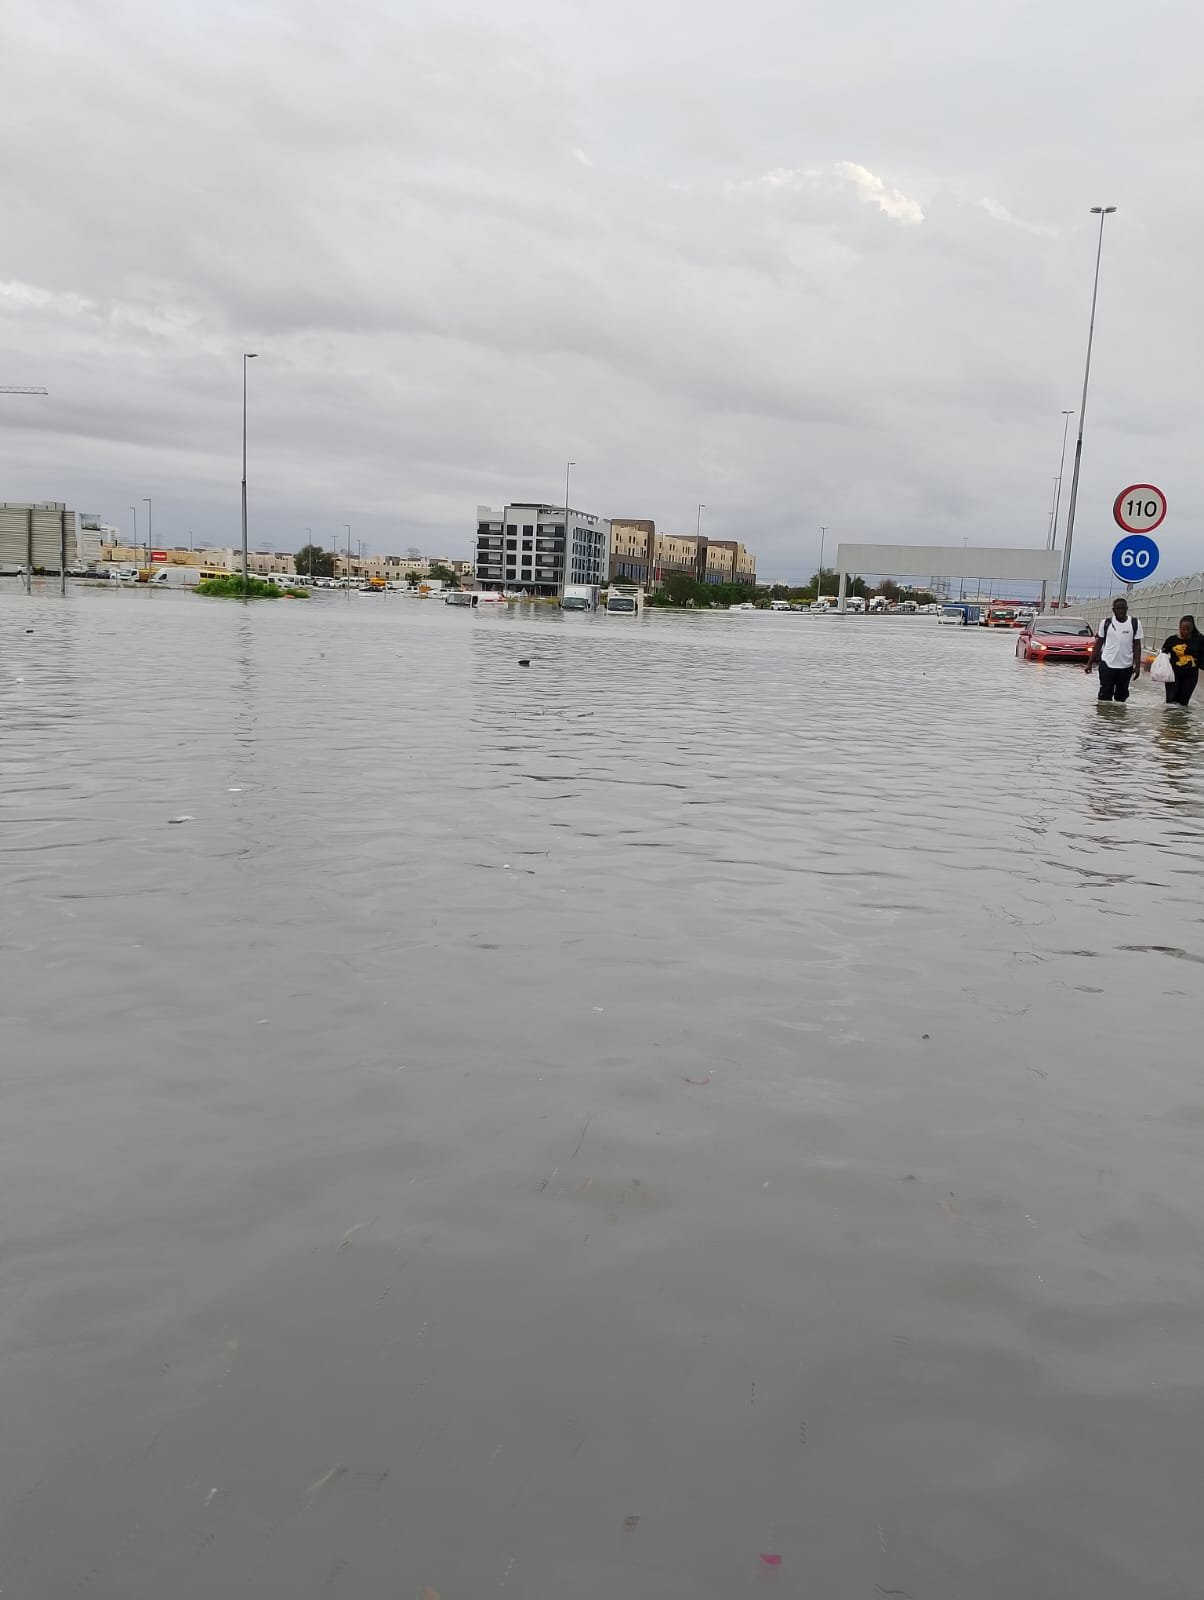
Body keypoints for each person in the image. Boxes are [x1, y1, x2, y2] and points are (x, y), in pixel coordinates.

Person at [1087, 596, 1142, 701]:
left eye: (1123, 608)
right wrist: (1089, 663)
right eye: (1118, 608)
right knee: (1105, 695)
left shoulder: (1135, 623)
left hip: (1126, 667)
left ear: (1127, 609)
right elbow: (1099, 644)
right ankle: (1104, 716)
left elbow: (1137, 645)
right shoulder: (1106, 623)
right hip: (1107, 664)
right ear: (1113, 610)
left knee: (1121, 698)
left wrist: (1137, 666)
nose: (1121, 611)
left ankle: (1118, 716)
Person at [1160, 614, 1204, 706]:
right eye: (1183, 629)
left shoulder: (1200, 640)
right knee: (1170, 701)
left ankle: (1180, 720)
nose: (1185, 631)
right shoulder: (1172, 640)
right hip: (1172, 675)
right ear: (1179, 627)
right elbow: (1162, 655)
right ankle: (1169, 719)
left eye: (1188, 629)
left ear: (1193, 628)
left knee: (1183, 703)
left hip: (1190, 676)